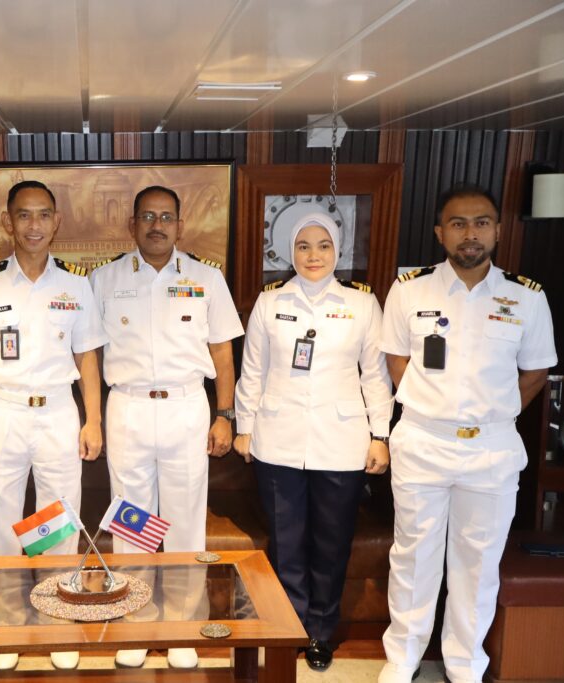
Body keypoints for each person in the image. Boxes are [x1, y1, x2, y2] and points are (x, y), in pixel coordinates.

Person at [377, 185, 557, 683]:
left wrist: (492, 416)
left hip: (491, 448)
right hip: (423, 439)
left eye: (481, 222)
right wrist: (434, 408)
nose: (470, 233)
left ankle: (464, 663)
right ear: (441, 232)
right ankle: (403, 657)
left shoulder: (526, 297)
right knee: (413, 555)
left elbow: (536, 372)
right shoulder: (410, 290)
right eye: (458, 223)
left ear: (498, 230)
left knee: (478, 562)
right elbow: (396, 361)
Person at [0, 180, 106, 672]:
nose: (33, 225)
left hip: (59, 411)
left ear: (56, 222)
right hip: (4, 412)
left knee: (59, 519)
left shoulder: (76, 284)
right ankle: (6, 625)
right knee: (1, 520)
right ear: (8, 222)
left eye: (43, 215)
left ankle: (58, 619)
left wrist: (93, 420)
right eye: (24, 215)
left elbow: (87, 358)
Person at [89, 185, 243, 668]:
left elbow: (223, 352)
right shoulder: (104, 279)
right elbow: (88, 353)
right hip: (128, 407)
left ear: (180, 224)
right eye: (148, 217)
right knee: (131, 520)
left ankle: (182, 626)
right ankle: (136, 620)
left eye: (166, 217)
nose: (157, 226)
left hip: (186, 407)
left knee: (184, 521)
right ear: (132, 224)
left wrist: (225, 415)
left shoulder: (207, 278)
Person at [233, 212, 393, 671]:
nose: (313, 255)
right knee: (286, 543)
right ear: (290, 251)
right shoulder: (270, 302)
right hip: (277, 439)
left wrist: (380, 434)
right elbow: (253, 369)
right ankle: (291, 628)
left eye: (323, 245)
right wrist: (244, 426)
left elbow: (375, 375)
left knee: (331, 543)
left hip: (341, 442)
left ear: (338, 250)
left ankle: (321, 631)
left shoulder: (362, 303)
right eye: (303, 246)